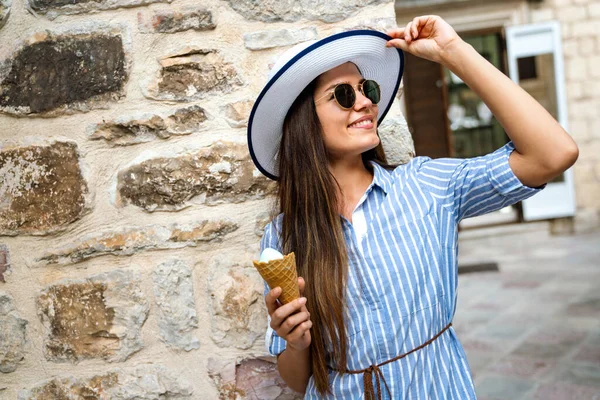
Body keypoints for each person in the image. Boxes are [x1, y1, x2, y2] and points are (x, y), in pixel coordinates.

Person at [247, 15, 578, 399]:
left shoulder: (425, 186)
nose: (367, 101)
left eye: (366, 88)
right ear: (304, 120)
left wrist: (455, 53)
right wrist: (296, 343)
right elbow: (296, 380)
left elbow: (554, 154)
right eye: (343, 94)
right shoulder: (283, 235)